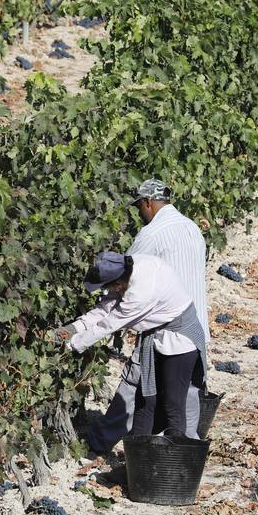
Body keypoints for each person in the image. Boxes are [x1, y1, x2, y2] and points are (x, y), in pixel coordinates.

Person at [83, 179, 210, 454]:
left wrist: (95, 320)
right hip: (195, 325)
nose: (140, 212)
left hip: (163, 327)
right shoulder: (192, 228)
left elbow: (124, 279)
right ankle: (186, 454)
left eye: (140, 206)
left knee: (136, 387)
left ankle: (101, 441)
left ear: (148, 203)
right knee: (183, 395)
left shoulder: (151, 234)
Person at [59, 251, 207, 442]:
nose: (112, 291)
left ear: (119, 284)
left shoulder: (141, 291)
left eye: (111, 288)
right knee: (145, 399)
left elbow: (110, 323)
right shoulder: (127, 268)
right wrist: (74, 327)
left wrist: (73, 344)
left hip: (180, 341)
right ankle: (137, 463)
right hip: (156, 337)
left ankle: (171, 462)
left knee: (173, 404)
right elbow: (106, 308)